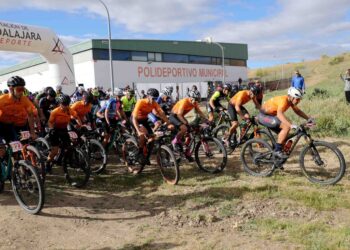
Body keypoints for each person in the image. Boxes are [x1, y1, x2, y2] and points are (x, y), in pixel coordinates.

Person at [258, 87, 313, 159]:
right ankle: (277, 150)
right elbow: (279, 114)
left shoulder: (290, 101)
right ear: (291, 97)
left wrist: (308, 118)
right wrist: (290, 125)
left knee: (286, 128)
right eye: (297, 99)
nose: (298, 101)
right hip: (263, 116)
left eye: (299, 99)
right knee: (286, 126)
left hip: (271, 116)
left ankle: (277, 158)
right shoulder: (284, 101)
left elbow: (298, 111)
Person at [132, 88, 170, 163]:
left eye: (155, 99)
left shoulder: (154, 103)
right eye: (152, 98)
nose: (154, 100)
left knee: (152, 138)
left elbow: (161, 114)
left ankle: (146, 157)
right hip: (135, 120)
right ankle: (139, 154)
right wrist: (138, 131)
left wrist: (169, 123)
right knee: (143, 135)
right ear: (148, 96)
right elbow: (134, 118)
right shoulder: (141, 102)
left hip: (144, 120)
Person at [45, 94, 82, 172]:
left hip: (64, 129)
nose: (65, 106)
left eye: (67, 104)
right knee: (54, 151)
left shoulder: (69, 110)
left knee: (68, 146)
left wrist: (79, 124)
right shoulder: (55, 111)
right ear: (60, 103)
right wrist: (51, 129)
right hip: (54, 130)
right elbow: (50, 122)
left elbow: (76, 117)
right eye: (63, 104)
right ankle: (48, 162)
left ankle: (65, 161)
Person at [169, 90, 208, 161]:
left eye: (197, 99)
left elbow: (199, 112)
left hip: (180, 117)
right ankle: (174, 141)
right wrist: (185, 123)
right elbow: (179, 114)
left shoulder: (194, 103)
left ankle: (187, 153)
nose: (196, 101)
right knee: (184, 128)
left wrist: (206, 119)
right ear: (190, 97)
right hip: (174, 116)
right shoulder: (184, 101)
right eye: (194, 99)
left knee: (190, 134)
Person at [0, 76, 37, 143]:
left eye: (23, 89)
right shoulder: (2, 100)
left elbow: (30, 115)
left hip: (13, 124)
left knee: (21, 144)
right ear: (11, 89)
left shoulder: (24, 99)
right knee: (5, 148)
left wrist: (32, 132)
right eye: (19, 90)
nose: (21, 92)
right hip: (2, 124)